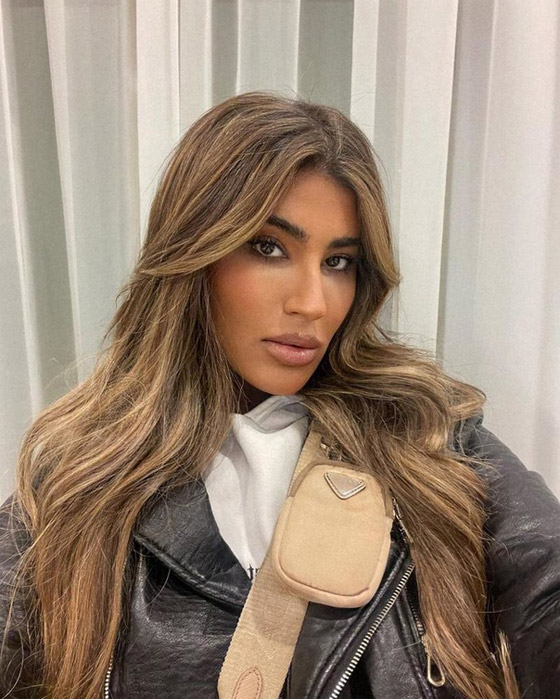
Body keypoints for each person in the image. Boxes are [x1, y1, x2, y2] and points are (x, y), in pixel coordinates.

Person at [0, 91, 559, 699]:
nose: (313, 303)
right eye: (269, 248)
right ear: (194, 254)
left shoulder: (427, 435)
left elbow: (545, 583)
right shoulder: (78, 480)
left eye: (339, 262)